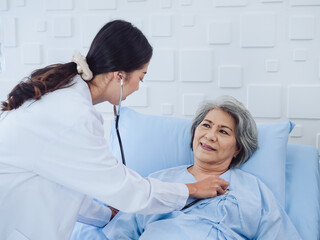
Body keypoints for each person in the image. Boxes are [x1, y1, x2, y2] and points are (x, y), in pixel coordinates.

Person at [0, 20, 229, 240]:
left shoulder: (66, 101)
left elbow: (70, 182)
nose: (139, 86)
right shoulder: (74, 116)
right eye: (141, 77)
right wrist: (191, 189)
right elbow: (126, 189)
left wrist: (106, 216)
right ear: (119, 76)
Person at [101, 96, 302, 240]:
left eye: (223, 131)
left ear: (238, 148)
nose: (210, 136)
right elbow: (121, 231)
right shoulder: (158, 181)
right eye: (206, 125)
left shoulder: (254, 191)